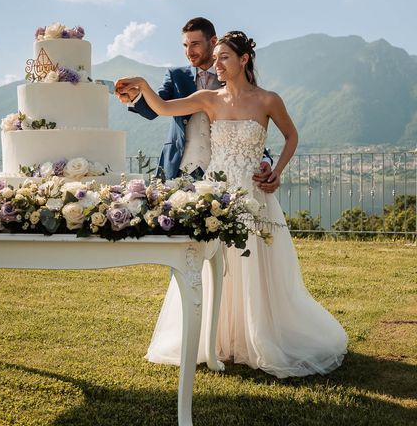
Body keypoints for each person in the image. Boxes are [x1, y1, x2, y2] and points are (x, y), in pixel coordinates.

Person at [115, 31, 347, 378]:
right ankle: (215, 338)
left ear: (244, 60)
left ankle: (257, 337)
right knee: (213, 264)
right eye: (217, 57)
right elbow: (164, 108)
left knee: (255, 265)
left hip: (255, 195)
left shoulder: (268, 100)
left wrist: (277, 170)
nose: (217, 63)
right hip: (217, 195)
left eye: (224, 57)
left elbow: (291, 135)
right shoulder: (210, 98)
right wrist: (144, 84)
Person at [117, 17, 278, 193]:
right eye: (185, 46)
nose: (189, 51)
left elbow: (251, 124)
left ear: (213, 42)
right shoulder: (175, 75)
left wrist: (265, 160)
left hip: (222, 175)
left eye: (195, 44)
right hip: (179, 168)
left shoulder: (232, 75)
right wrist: (136, 96)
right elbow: (157, 108)